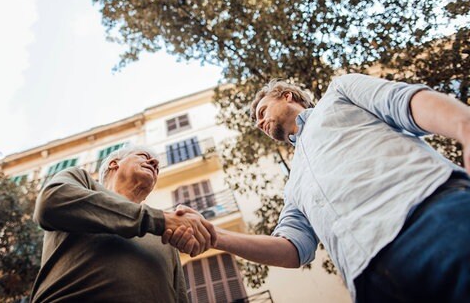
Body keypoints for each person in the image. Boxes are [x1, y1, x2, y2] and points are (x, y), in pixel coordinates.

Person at [165, 74, 470, 302]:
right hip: (371, 283)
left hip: (430, 218)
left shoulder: (339, 92)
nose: (259, 123)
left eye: (261, 112)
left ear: (286, 95)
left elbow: (406, 102)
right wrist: (214, 235)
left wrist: (464, 128)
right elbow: (293, 250)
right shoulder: (294, 185)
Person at [30, 145, 216, 302]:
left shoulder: (165, 234)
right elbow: (50, 201)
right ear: (114, 164)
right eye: (144, 157)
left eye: (157, 167)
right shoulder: (82, 181)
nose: (154, 163)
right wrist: (161, 219)